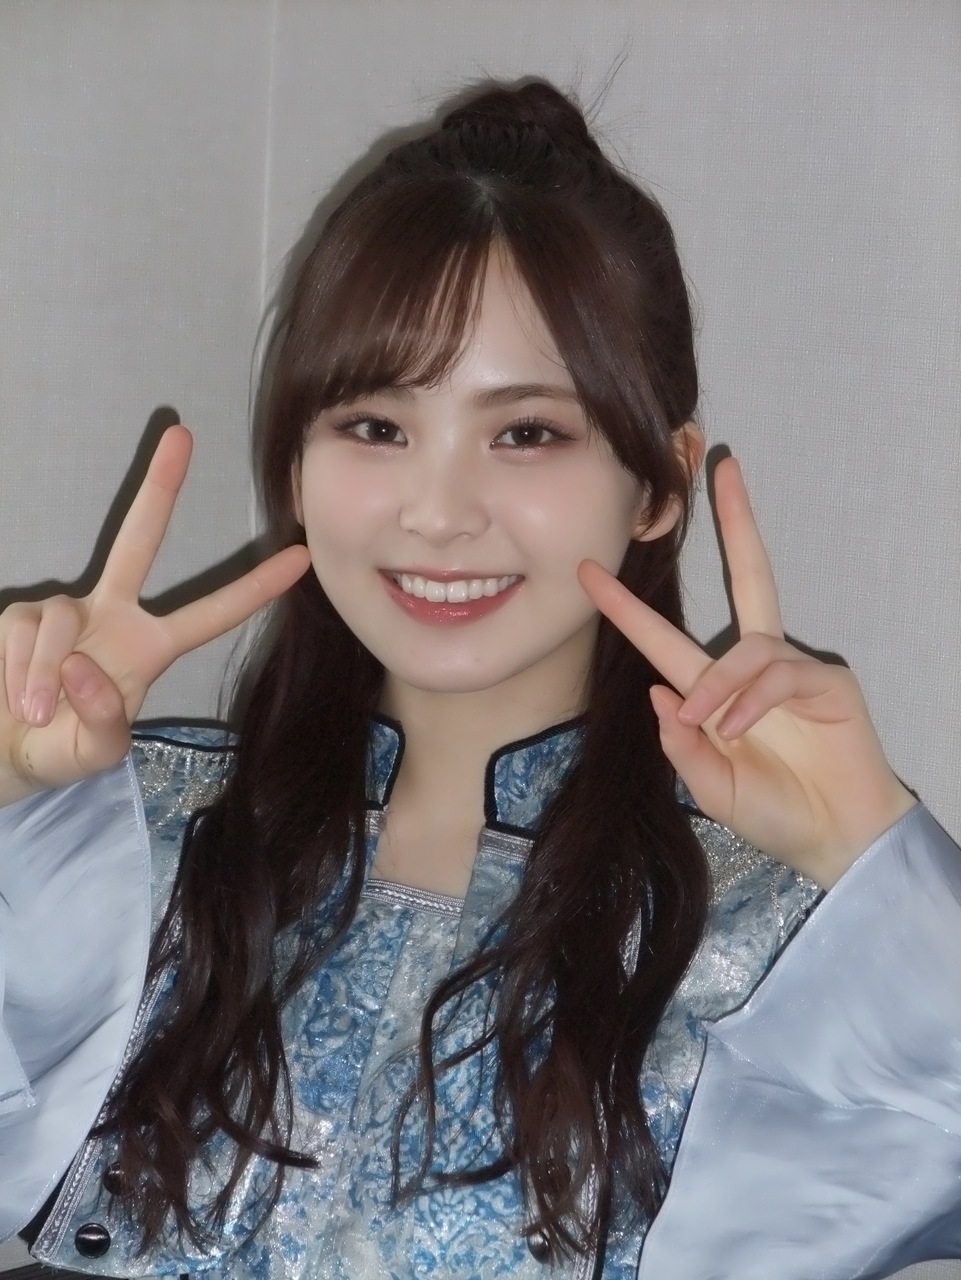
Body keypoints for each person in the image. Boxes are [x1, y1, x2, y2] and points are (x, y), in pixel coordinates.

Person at [0, 80, 959, 1280]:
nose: (438, 510)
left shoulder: (771, 935)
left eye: (525, 432)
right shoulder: (136, 851)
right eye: (375, 425)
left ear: (657, 485)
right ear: (295, 464)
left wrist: (873, 851)